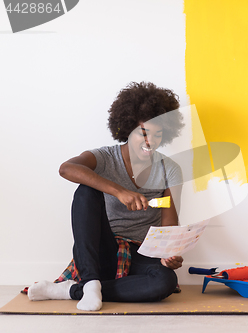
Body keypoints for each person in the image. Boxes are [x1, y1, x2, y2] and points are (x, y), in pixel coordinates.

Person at [27, 82, 185, 311]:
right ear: (128, 128)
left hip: (143, 253)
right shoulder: (104, 157)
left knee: (165, 282)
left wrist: (169, 254)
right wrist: (118, 191)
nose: (150, 141)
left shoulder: (169, 169)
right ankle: (90, 282)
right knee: (86, 190)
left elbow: (169, 222)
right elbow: (66, 169)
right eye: (143, 133)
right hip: (104, 252)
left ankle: (72, 290)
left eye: (158, 135)